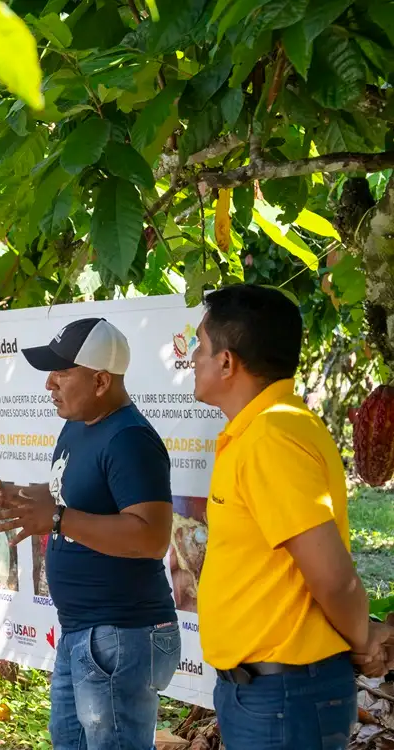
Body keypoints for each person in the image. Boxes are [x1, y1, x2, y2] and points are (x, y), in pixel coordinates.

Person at [0, 318, 180, 750]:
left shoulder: (131, 440)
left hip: (121, 635)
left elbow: (151, 537)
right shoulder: (77, 426)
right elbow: (64, 496)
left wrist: (57, 520)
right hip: (83, 632)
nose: (49, 384)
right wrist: (7, 495)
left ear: (100, 380)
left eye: (62, 372)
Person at [191, 285, 394, 749]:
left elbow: (333, 577)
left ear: (227, 362)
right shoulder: (266, 428)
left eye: (201, 347)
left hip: (284, 699)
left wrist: (364, 638)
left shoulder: (270, 438)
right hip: (270, 695)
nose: (193, 360)